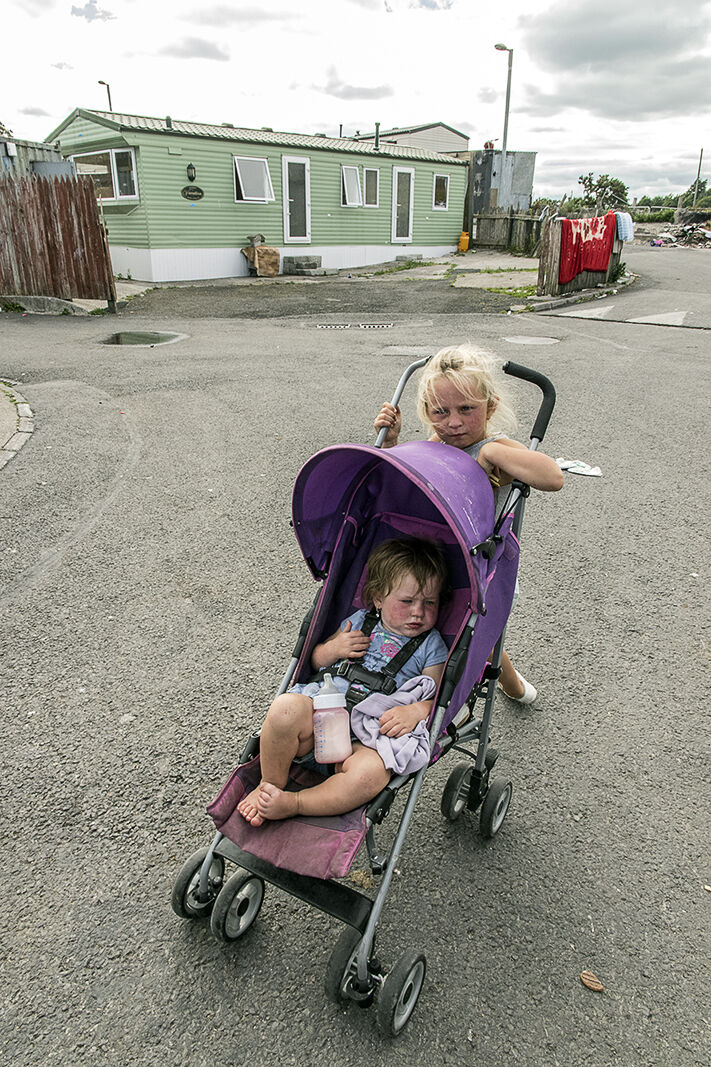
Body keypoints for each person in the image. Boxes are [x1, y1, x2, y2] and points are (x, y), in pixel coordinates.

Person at [374, 344, 564, 704]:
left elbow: (553, 477)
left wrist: (492, 454)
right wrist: (394, 443)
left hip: (480, 570)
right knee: (464, 635)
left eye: (466, 409)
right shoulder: (436, 442)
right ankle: (505, 682)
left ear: (489, 408)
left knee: (474, 636)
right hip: (431, 561)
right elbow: (400, 490)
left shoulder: (494, 448)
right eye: (440, 412)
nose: (454, 422)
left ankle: (508, 684)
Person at [237, 537, 449, 825]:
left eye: (430, 603)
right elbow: (315, 660)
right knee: (284, 709)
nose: (418, 612)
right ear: (378, 599)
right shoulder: (360, 621)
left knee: (371, 775)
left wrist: (414, 711)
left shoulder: (431, 645)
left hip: (369, 736)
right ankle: (269, 784)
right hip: (319, 721)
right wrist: (333, 649)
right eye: (407, 601)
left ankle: (296, 802)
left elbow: (433, 695)